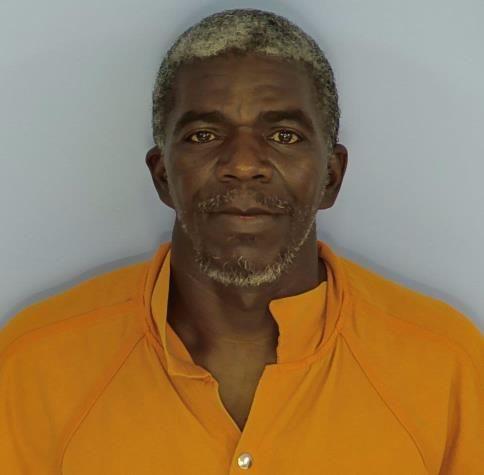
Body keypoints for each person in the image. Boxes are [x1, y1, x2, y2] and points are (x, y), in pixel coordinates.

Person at [1, 8, 482, 474]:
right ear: (163, 175)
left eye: (285, 135)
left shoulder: (447, 366)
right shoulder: (34, 367)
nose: (244, 164)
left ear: (331, 177)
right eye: (204, 135)